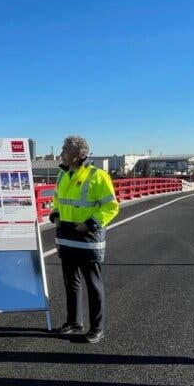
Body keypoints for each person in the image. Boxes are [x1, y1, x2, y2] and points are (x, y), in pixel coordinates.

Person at [50, 135, 119, 343]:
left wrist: (89, 224)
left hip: (88, 237)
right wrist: (55, 215)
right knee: (71, 282)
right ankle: (74, 321)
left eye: (65, 149)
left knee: (93, 284)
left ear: (78, 154)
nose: (61, 152)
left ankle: (97, 328)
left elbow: (111, 206)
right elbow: (57, 199)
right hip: (66, 236)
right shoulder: (63, 175)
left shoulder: (98, 176)